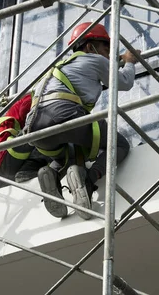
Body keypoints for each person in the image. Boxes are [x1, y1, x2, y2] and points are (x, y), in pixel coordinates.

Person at [25, 22, 140, 220]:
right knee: (118, 144)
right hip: (63, 114)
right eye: (105, 49)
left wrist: (114, 61)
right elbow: (124, 82)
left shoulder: (60, 67)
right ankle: (87, 180)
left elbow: (94, 72)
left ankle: (51, 173)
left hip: (35, 129)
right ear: (89, 46)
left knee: (69, 153)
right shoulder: (96, 60)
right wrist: (130, 61)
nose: (107, 55)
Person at [0, 93, 51, 188]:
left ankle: (29, 169)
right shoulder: (36, 94)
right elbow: (25, 112)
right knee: (44, 128)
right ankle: (28, 169)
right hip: (5, 154)